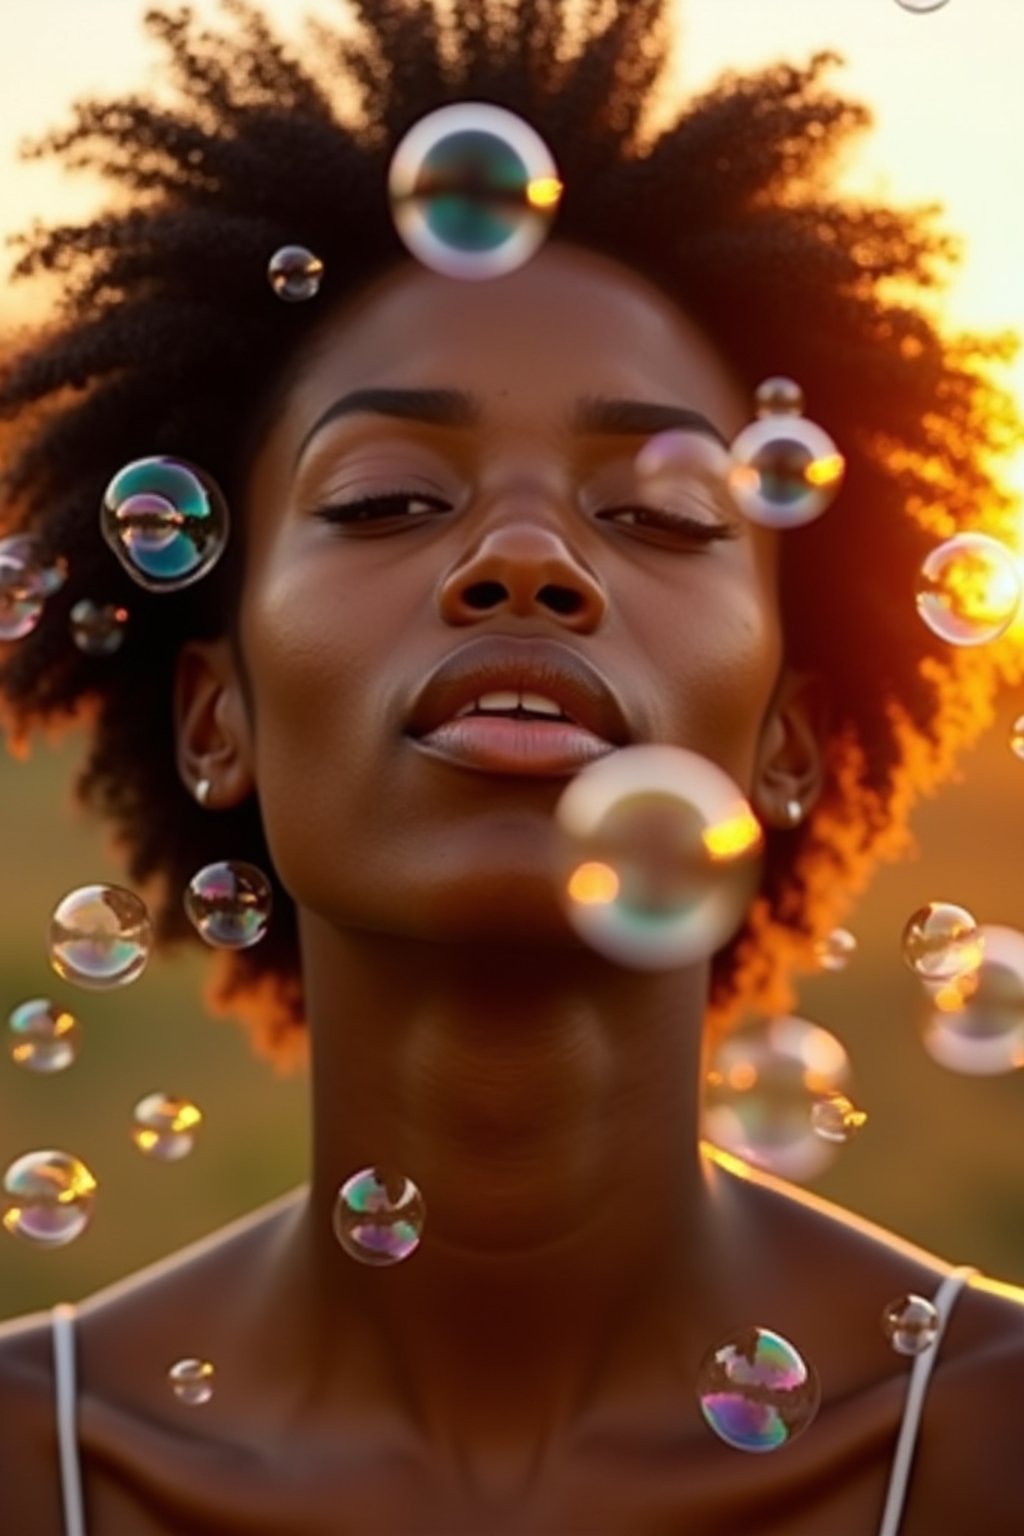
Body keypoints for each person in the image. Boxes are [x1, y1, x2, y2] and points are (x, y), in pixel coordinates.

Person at [0, 0, 1021, 1531]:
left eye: (667, 514)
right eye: (392, 496)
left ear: (790, 741)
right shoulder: (37, 1462)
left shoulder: (989, 1444)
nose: (528, 559)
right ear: (215, 717)